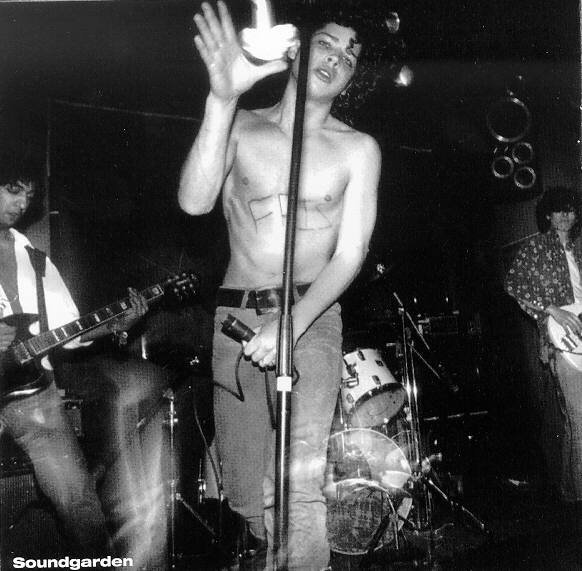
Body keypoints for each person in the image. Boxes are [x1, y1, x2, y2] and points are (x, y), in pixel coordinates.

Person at [178, 2, 385, 568]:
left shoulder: (358, 149)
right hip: (234, 320)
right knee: (246, 495)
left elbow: (351, 255)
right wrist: (221, 99)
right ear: (295, 49)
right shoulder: (241, 125)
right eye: (327, 43)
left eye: (350, 56)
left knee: (298, 485)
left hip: (310, 318)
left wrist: (291, 325)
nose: (337, 58)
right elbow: (194, 201)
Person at [0, 155, 149, 558]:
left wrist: (117, 324)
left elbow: (68, 331)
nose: (22, 203)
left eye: (29, 195)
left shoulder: (36, 261)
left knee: (79, 502)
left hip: (33, 397)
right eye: (13, 190)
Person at [505, 186, 582, 504]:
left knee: (573, 421)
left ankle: (570, 492)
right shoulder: (536, 247)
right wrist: (553, 310)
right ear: (548, 214)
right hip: (560, 342)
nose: (565, 215)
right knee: (580, 418)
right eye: (558, 209)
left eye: (570, 209)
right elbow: (513, 284)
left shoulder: (577, 250)